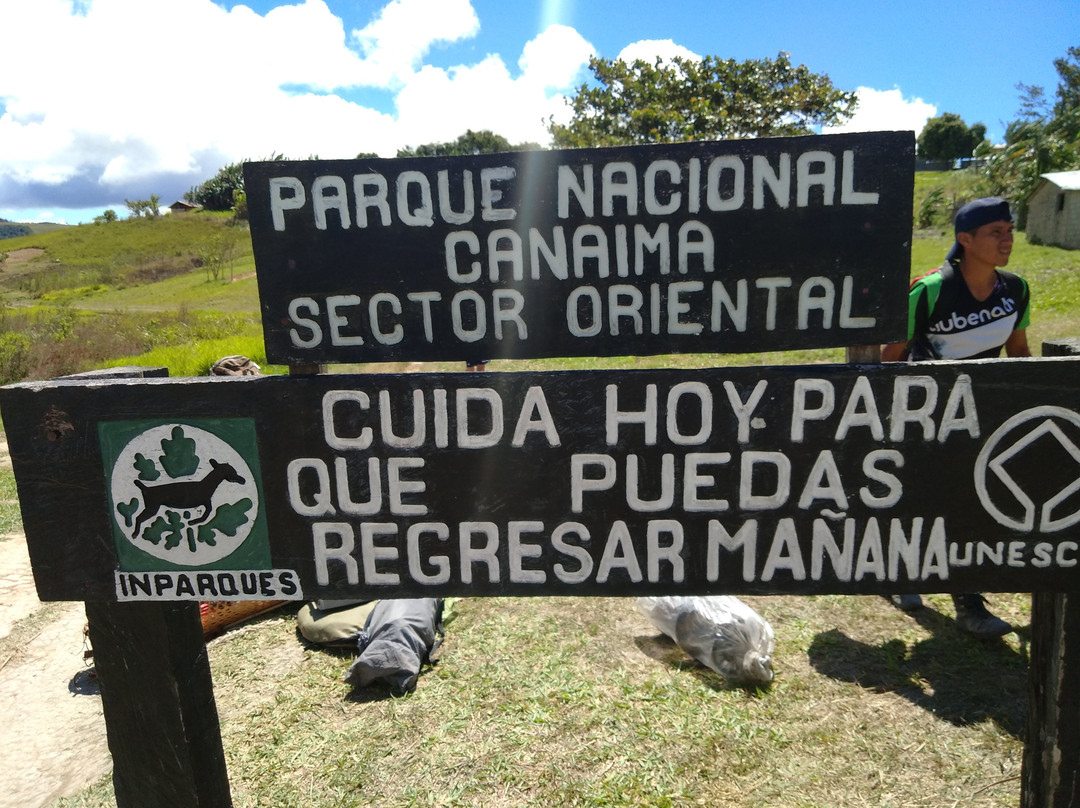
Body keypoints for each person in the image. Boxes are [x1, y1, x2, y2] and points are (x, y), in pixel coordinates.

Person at [881, 196, 1031, 639]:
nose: (1006, 240)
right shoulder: (928, 290)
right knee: (918, 496)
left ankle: (968, 603)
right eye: (994, 232)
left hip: (982, 415)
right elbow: (891, 360)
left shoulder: (1016, 289)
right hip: (924, 415)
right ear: (965, 240)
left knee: (969, 503)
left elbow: (1019, 354)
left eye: (1009, 230)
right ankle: (899, 573)